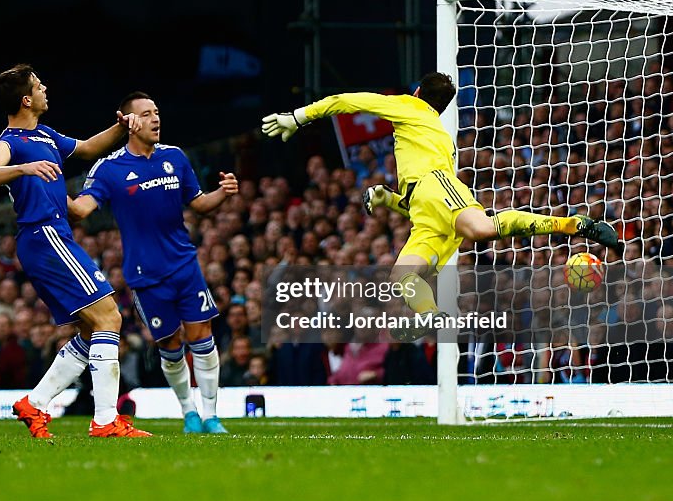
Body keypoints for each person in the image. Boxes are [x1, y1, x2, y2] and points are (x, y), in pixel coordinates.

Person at [261, 72, 622, 341]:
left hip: (438, 188)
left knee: (480, 229)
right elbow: (424, 205)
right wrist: (389, 199)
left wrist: (297, 117)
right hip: (427, 214)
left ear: (418, 93)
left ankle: (574, 224)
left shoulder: (409, 106)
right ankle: (430, 315)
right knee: (401, 278)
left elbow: (345, 101)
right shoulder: (435, 135)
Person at [0, 64, 151, 438]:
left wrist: (122, 128)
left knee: (92, 330)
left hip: (54, 235)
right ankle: (105, 420)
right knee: (110, 317)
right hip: (43, 236)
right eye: (39, 86)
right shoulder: (10, 142)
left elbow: (88, 148)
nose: (45, 89)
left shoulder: (47, 135)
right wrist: (23, 169)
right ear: (26, 99)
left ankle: (34, 404)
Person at [68, 91, 238, 434]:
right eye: (145, 114)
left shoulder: (175, 157)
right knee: (171, 345)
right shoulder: (109, 168)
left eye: (156, 112)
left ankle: (211, 415)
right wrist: (49, 189)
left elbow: (199, 203)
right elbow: (82, 210)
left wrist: (223, 192)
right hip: (145, 275)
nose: (155, 119)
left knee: (202, 336)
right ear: (129, 122)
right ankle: (188, 412)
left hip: (184, 264)